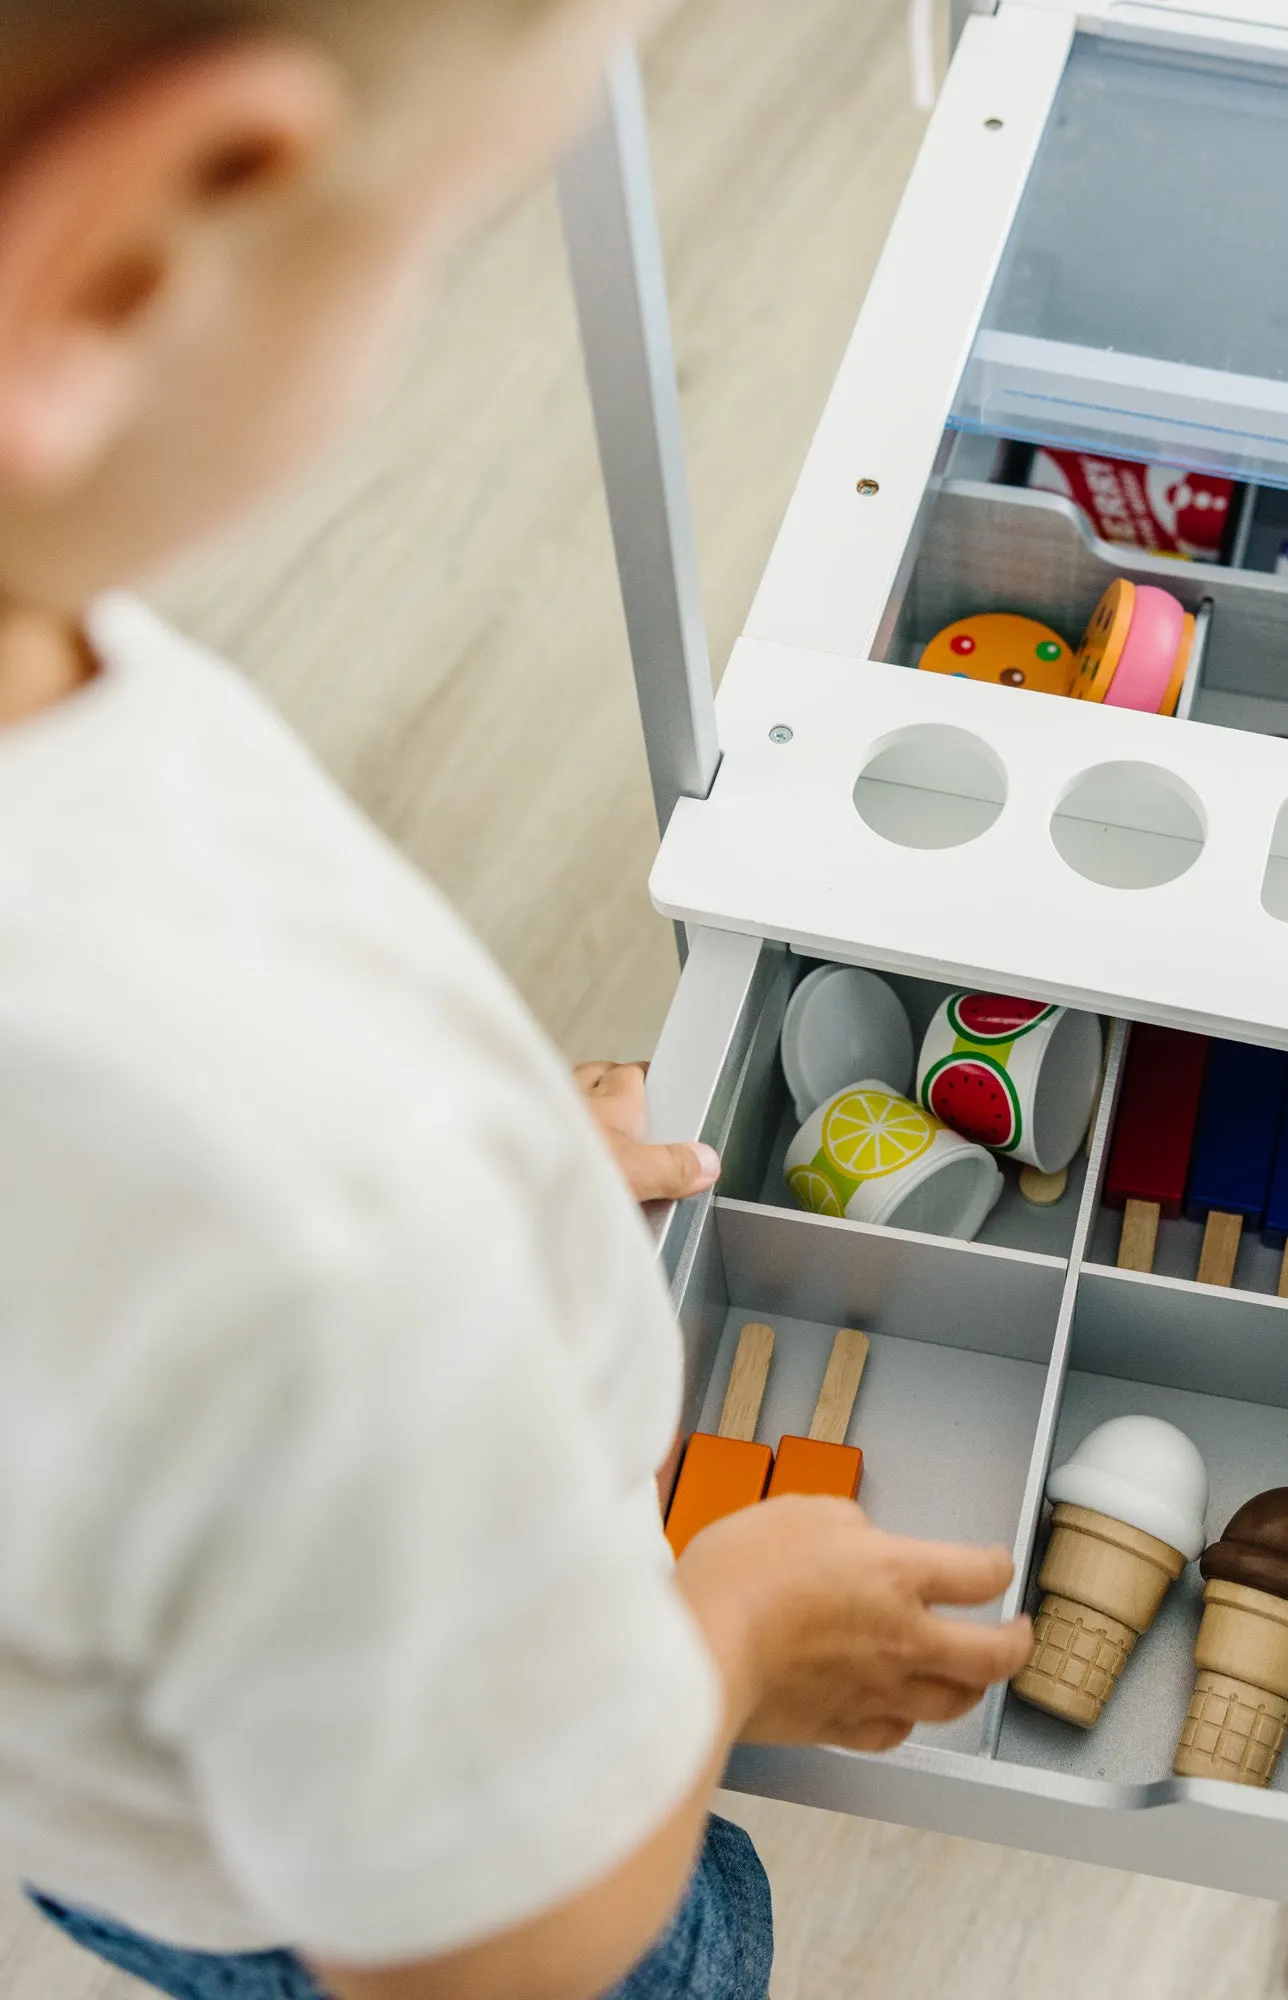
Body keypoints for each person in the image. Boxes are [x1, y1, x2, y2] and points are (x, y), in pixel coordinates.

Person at [0, 4, 1032, 1998]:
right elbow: (490, 1953)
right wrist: (720, 1638)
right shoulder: (312, 1223)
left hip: (120, 1765)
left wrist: (440, 1195)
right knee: (669, 1930)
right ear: (125, 259)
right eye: (444, 232)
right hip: (417, 1876)